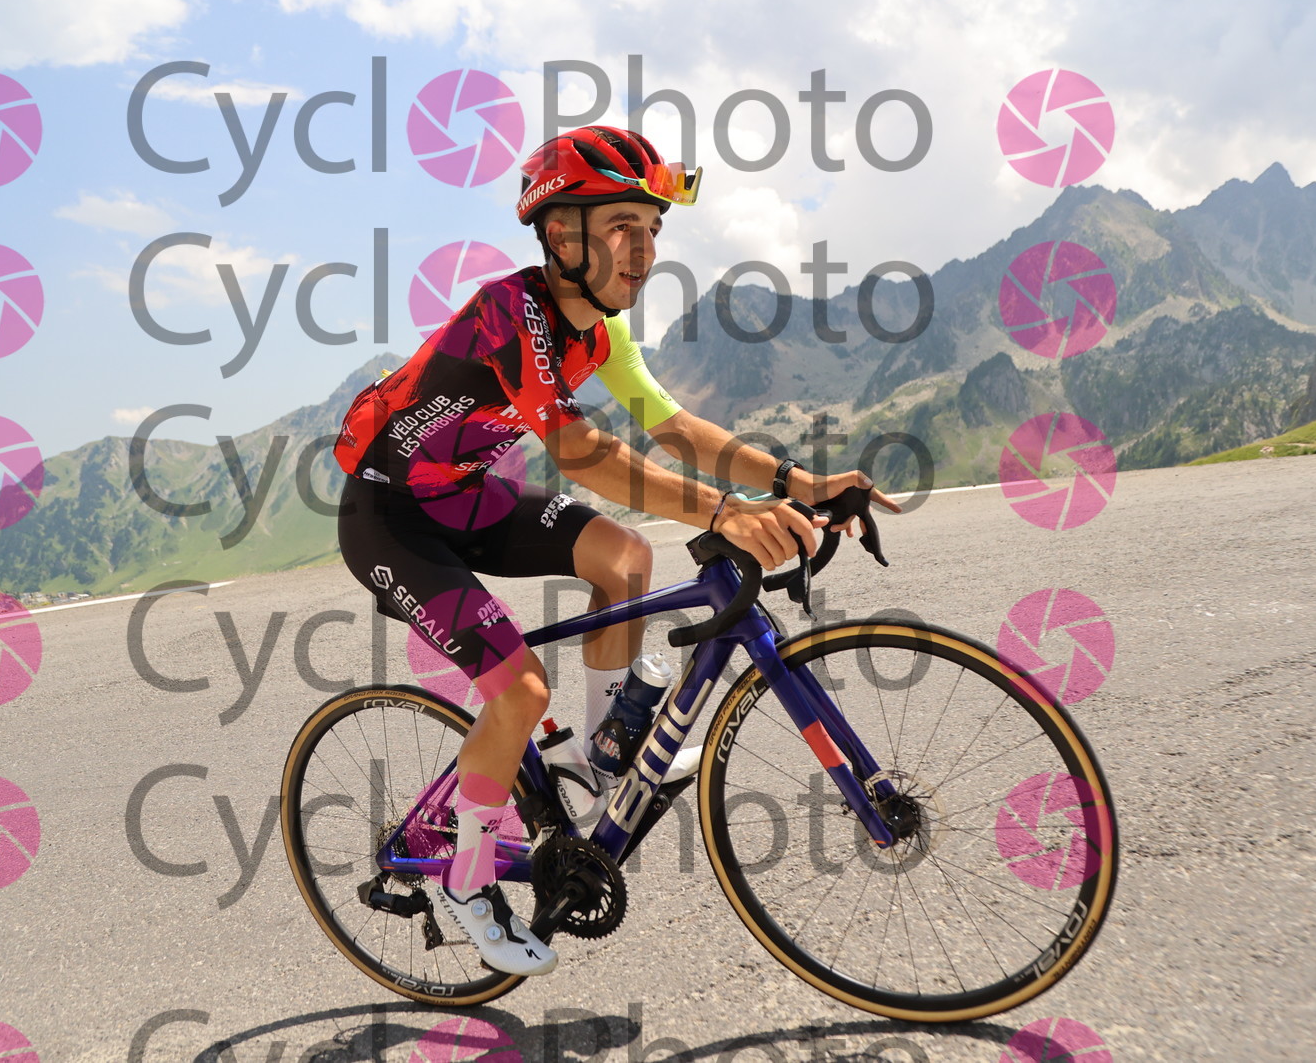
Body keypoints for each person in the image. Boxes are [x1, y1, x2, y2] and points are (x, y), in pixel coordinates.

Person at [333, 126, 899, 976]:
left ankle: (600, 759)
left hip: (463, 496)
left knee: (626, 556)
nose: (646, 249)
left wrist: (798, 480)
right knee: (520, 689)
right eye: (624, 226)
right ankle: (465, 877)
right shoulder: (508, 315)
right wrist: (724, 510)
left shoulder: (599, 333)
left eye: (654, 228)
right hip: (389, 517)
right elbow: (582, 453)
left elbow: (676, 429)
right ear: (562, 235)